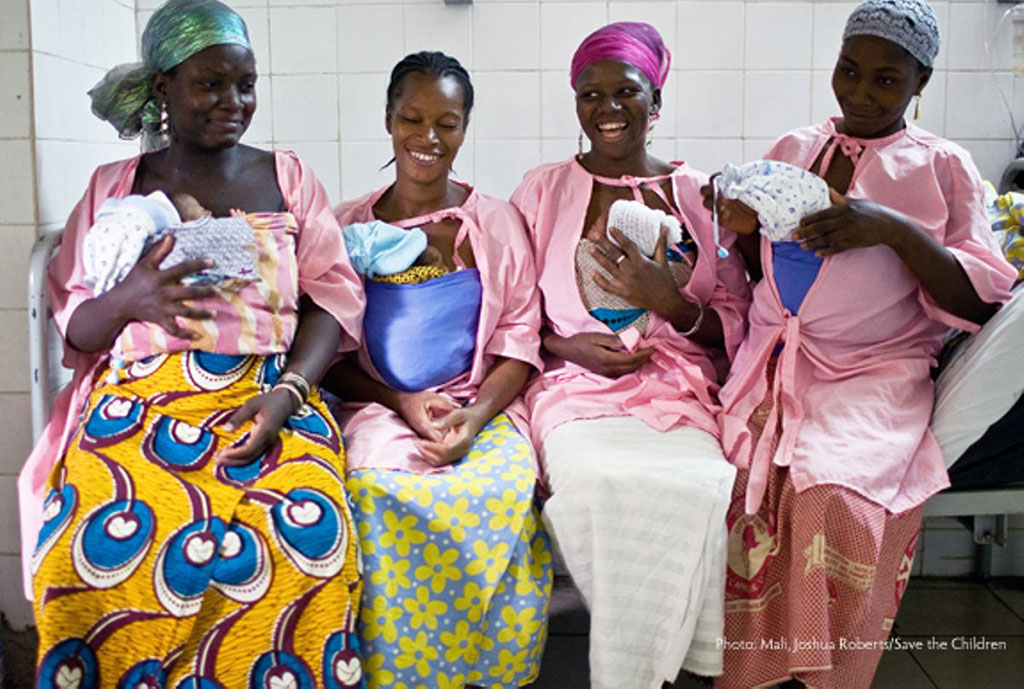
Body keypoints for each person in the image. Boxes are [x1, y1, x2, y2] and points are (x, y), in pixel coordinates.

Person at [19, 1, 366, 686]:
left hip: (265, 394)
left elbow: (332, 296)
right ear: (163, 90)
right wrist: (130, 299)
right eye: (210, 83)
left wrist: (286, 396)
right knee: (85, 545)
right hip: (142, 399)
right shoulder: (116, 190)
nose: (233, 102)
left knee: (311, 537)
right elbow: (78, 326)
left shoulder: (287, 177)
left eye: (245, 83)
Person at [704, 1, 1017, 686]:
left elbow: (980, 299)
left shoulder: (941, 168)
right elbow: (765, 271)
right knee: (727, 487)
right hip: (774, 359)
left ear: (920, 82)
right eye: (849, 71)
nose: (861, 92)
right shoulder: (793, 148)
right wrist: (741, 223)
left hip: (872, 372)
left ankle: (815, 670)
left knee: (831, 494)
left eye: (885, 79)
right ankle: (734, 664)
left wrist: (894, 230)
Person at [509, 22, 750, 689]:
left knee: (703, 486)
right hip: (573, 391)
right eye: (591, 94)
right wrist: (563, 345)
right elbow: (512, 309)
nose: (607, 108)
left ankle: (682, 666)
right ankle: (633, 662)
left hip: (677, 391)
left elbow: (736, 317)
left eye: (626, 91)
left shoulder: (702, 196)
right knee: (595, 482)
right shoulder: (542, 191)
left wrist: (670, 304)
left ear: (658, 101)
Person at [323, 51, 552, 688]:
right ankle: (400, 670)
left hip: (483, 405)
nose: (428, 138)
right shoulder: (347, 227)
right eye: (412, 119)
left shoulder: (496, 222)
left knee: (501, 489)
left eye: (446, 123)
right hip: (378, 406)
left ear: (465, 127)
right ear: (389, 120)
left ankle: (483, 669)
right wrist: (400, 401)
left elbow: (518, 340)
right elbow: (331, 352)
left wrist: (475, 418)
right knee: (372, 491)